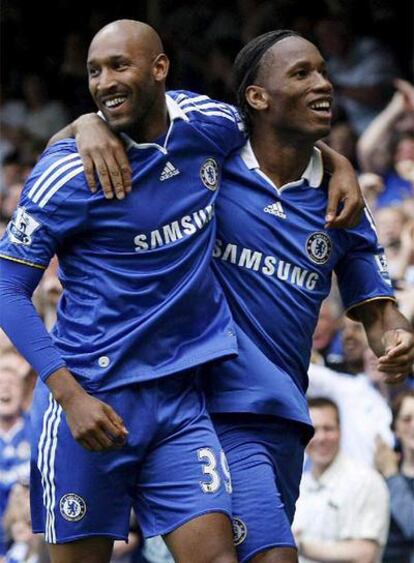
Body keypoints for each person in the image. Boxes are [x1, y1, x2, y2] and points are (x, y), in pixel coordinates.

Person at [60, 27, 414, 563]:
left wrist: (398, 340)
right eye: (302, 73)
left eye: (322, 70)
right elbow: (120, 115)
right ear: (257, 97)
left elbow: (379, 311)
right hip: (209, 409)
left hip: (287, 422)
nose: (324, 83)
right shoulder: (207, 156)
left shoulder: (340, 204)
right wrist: (88, 124)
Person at [0, 20, 252, 563]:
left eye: (120, 65)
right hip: (90, 402)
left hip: (180, 399)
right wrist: (70, 397)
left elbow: (277, 132)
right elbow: (6, 288)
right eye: (94, 71)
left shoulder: (207, 124)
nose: (105, 81)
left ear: (160, 68)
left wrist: (339, 165)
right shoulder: (67, 172)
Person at [293, 397, 390, 562]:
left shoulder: (367, 481)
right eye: (313, 430)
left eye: (328, 428)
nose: (321, 438)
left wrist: (299, 545)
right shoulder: (296, 485)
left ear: (341, 431)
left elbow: (365, 554)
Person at [375, 390, 414, 562]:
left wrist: (391, 475)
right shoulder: (382, 472)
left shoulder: (390, 474)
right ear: (395, 429)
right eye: (406, 419)